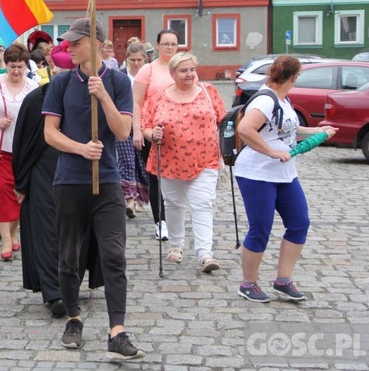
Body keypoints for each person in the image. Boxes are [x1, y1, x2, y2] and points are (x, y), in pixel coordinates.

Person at [41, 18, 145, 360]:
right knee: (68, 255)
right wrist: (81, 148)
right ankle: (74, 317)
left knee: (114, 255)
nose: (68, 48)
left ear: (96, 43)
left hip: (108, 181)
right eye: (68, 43)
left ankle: (117, 330)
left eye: (75, 42)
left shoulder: (116, 81)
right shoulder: (61, 83)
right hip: (70, 181)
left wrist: (103, 96)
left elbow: (121, 131)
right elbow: (50, 133)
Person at [234, 55, 337, 302]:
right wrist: (271, 152)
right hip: (256, 173)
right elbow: (245, 129)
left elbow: (288, 131)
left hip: (284, 174)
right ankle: (248, 284)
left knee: (299, 222)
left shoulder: (283, 99)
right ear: (293, 76)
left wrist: (317, 130)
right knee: (260, 229)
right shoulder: (265, 100)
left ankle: (283, 280)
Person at [13, 49, 103, 318]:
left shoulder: (94, 97)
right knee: (48, 232)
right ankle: (54, 294)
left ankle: (70, 286)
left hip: (81, 170)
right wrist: (22, 183)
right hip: (44, 172)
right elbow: (23, 145)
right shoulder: (35, 100)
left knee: (77, 230)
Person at [142, 53, 227, 273]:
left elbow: (224, 120)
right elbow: (146, 126)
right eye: (183, 70)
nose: (189, 74)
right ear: (172, 74)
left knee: (203, 203)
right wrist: (153, 135)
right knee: (173, 205)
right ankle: (176, 245)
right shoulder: (159, 97)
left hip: (205, 159)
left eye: (192, 70)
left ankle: (204, 254)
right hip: (170, 160)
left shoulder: (209, 92)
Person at [0, 43, 38, 260]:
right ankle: (5, 238)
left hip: (23, 152)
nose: (16, 71)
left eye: (20, 67)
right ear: (6, 65)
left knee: (19, 195)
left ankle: (13, 234)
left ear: (26, 66)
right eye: (12, 66)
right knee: (1, 192)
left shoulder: (33, 87)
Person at [132, 29, 181, 240]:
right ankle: (160, 221)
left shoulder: (182, 67)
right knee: (155, 178)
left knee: (176, 178)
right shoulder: (148, 70)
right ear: (158, 46)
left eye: (174, 44)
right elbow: (136, 102)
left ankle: (175, 219)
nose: (170, 47)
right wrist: (137, 130)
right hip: (151, 131)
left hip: (179, 133)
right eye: (166, 44)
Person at [116, 41, 150, 217]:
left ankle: (139, 199)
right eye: (132, 60)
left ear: (145, 59)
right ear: (127, 59)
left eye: (139, 60)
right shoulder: (121, 76)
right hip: (124, 124)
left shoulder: (148, 76)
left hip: (144, 124)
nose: (136, 63)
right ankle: (129, 199)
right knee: (126, 161)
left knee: (141, 164)